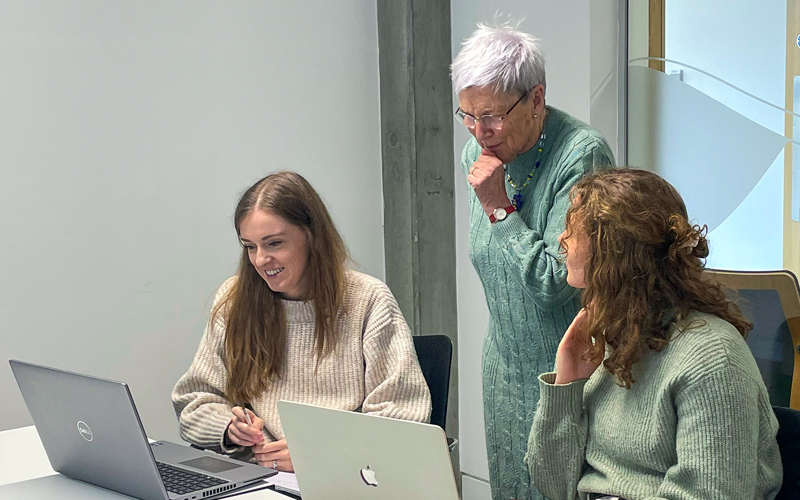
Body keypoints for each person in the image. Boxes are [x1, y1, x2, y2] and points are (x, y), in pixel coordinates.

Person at [527, 169, 782, 500]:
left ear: (614, 253)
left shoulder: (713, 356)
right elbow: (553, 485)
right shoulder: (610, 340)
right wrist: (567, 385)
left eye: (572, 231)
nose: (561, 239)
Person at [450, 22, 615, 500]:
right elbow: (495, 266)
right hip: (502, 368)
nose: (479, 132)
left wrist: (499, 207)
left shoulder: (581, 155)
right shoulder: (477, 153)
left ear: (536, 99)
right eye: (467, 115)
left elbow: (552, 283)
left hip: (569, 371)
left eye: (491, 116)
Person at [172, 171, 432, 471]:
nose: (260, 260)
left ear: (312, 238)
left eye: (274, 243)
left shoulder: (368, 300)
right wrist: (229, 428)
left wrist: (317, 452)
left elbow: (403, 417)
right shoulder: (234, 299)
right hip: (256, 475)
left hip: (343, 476)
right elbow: (193, 401)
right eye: (250, 246)